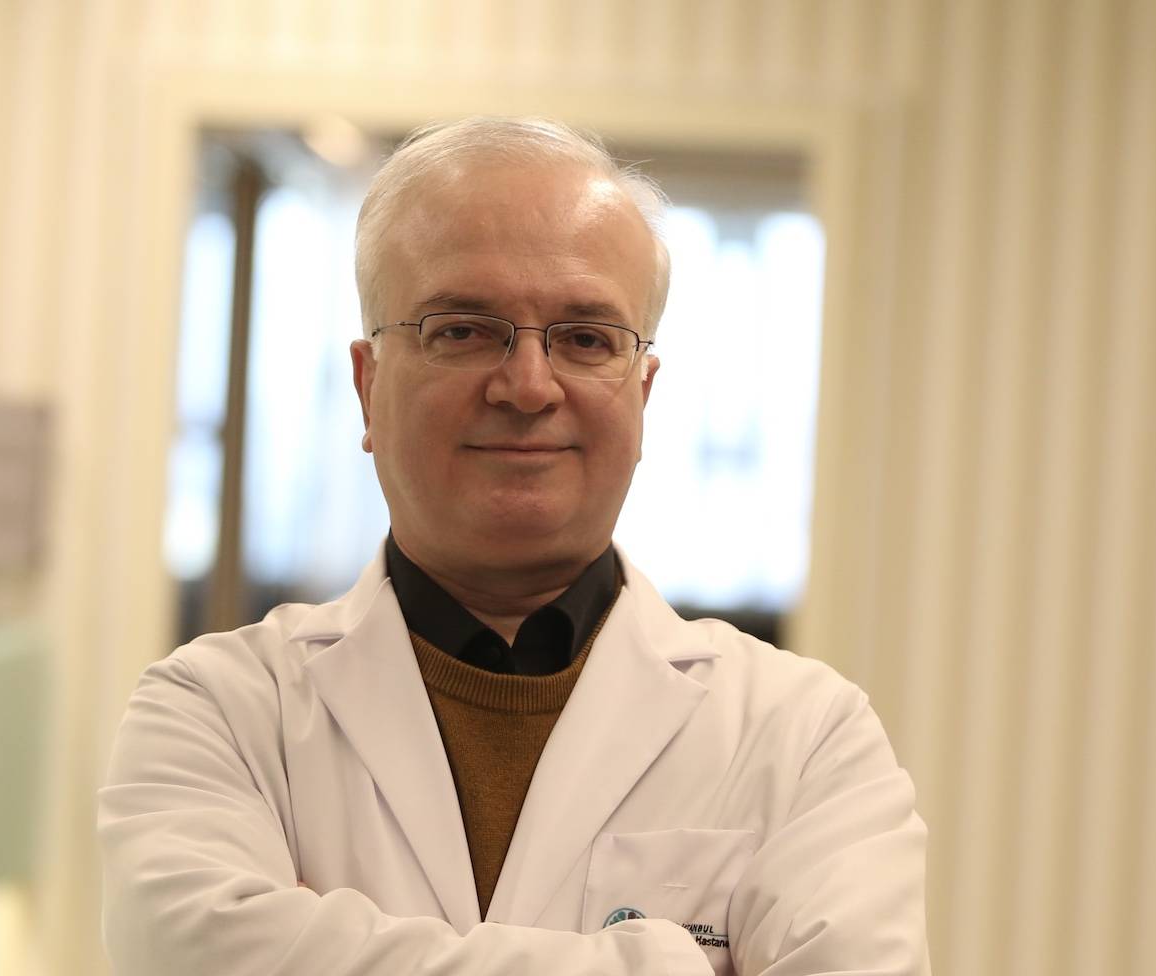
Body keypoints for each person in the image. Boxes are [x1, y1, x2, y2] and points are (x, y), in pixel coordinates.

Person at [98, 117, 930, 976]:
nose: (528, 387)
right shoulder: (218, 713)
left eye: (586, 339)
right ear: (368, 386)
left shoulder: (805, 737)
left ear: (642, 397)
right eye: (462, 329)